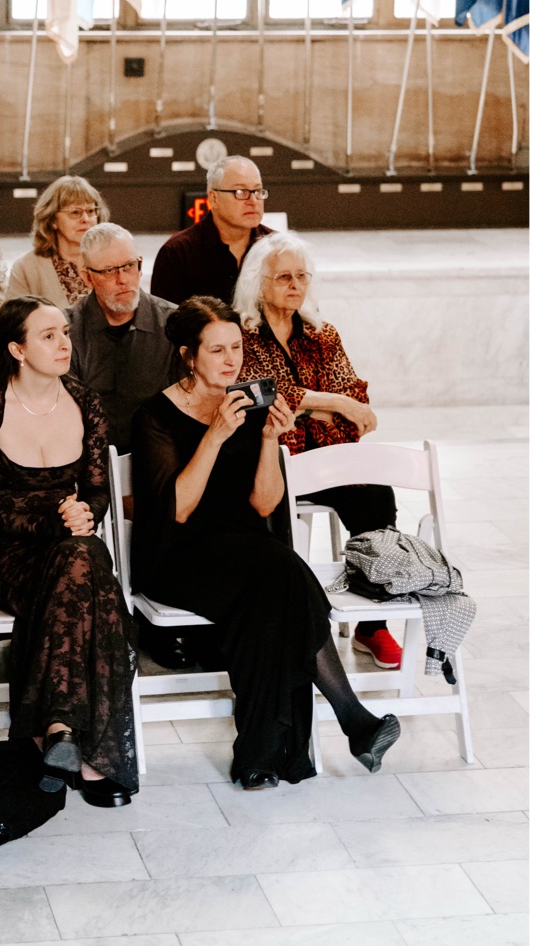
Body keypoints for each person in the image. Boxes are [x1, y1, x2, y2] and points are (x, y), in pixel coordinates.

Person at [131, 297, 400, 789]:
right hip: (178, 555)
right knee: (281, 570)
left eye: (236, 347)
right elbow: (178, 511)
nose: (232, 360)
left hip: (249, 554)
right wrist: (214, 436)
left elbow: (263, 504)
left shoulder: (249, 405)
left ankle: (259, 758)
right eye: (217, 350)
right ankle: (351, 717)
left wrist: (267, 441)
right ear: (189, 356)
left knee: (272, 595)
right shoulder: (155, 415)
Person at [0, 297, 137, 805]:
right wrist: (55, 520)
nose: (65, 344)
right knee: (88, 574)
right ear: (16, 348)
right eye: (49, 336)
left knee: (80, 561)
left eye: (65, 332)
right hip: (7, 555)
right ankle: (98, 762)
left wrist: (84, 514)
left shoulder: (86, 401)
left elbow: (98, 489)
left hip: (72, 548)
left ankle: (58, 731)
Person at [234, 231, 400, 668]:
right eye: (284, 276)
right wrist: (333, 404)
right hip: (268, 461)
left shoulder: (321, 334)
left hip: (326, 459)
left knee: (376, 494)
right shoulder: (242, 333)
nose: (295, 285)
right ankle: (289, 620)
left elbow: (355, 398)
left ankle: (373, 623)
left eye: (301, 276)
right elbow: (263, 394)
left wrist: (330, 406)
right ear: (258, 281)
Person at [68, 223, 179, 455]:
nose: (123, 279)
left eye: (129, 266)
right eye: (109, 271)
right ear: (87, 278)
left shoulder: (174, 324)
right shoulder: (67, 331)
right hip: (88, 463)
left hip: (160, 461)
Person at [150, 156, 270, 307]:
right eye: (241, 192)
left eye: (258, 191)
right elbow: (163, 322)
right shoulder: (177, 253)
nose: (253, 201)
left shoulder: (278, 248)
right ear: (214, 198)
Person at [4, 175, 107, 308]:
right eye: (75, 212)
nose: (85, 219)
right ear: (52, 220)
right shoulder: (26, 268)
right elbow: (13, 323)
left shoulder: (112, 260)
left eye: (91, 211)